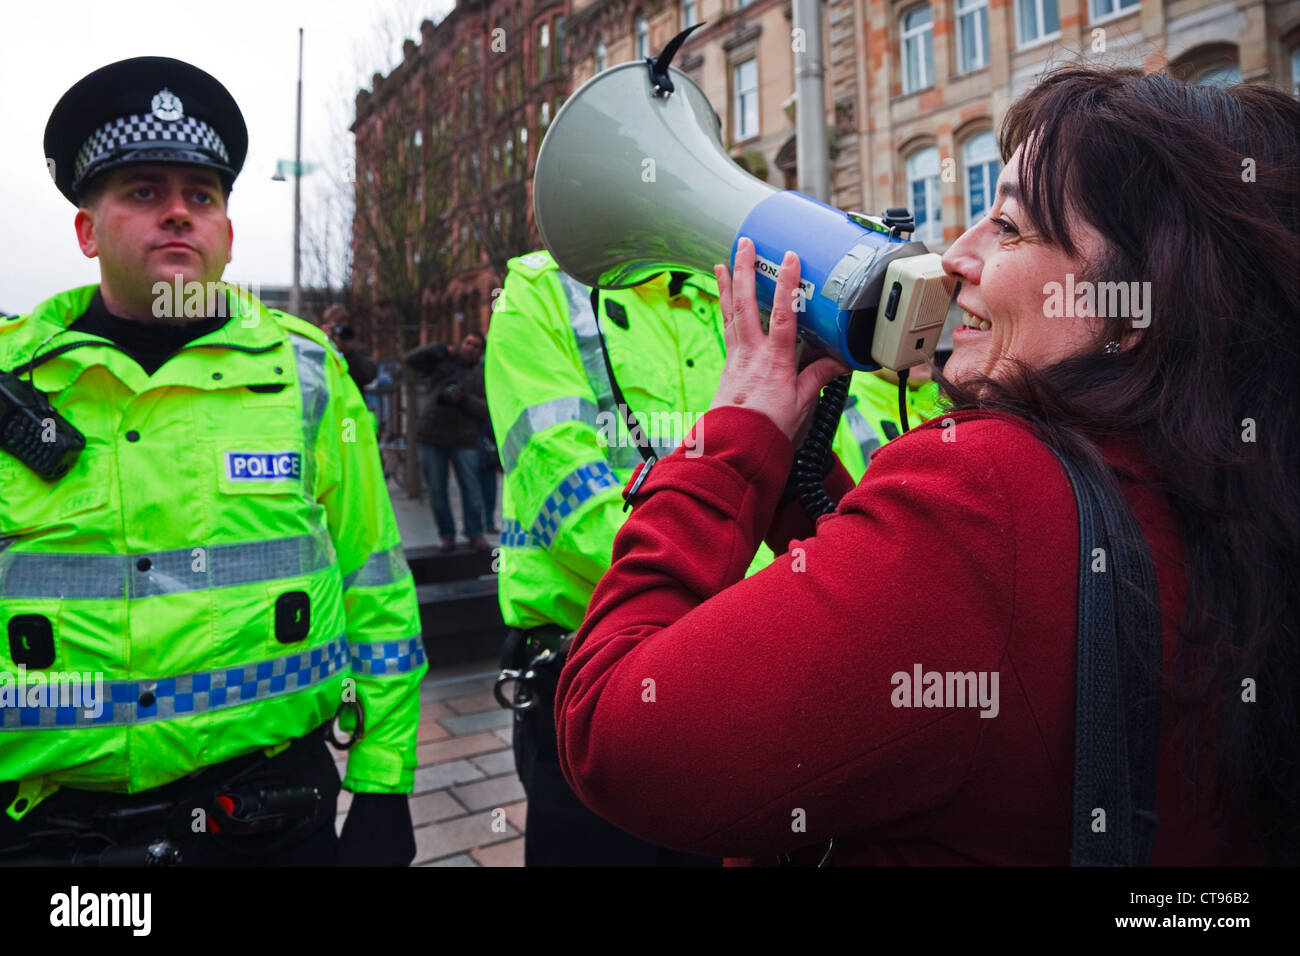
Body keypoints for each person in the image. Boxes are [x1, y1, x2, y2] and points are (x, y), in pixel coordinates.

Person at [553, 66, 1299, 865]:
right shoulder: (1234, 478)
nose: (956, 256)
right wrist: (803, 477)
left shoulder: (990, 492)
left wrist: (732, 439)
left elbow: (614, 735)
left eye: (1010, 228)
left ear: (1134, 311)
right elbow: (963, 638)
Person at [0, 57, 425, 866]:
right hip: (52, 831)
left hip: (270, 817)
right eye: (143, 191)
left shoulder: (308, 375)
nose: (177, 215)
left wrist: (383, 781)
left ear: (226, 232)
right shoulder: (12, 382)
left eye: (201, 196)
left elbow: (375, 586)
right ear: (88, 230)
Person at [486, 250, 739, 866]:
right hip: (589, 662)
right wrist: (741, 595)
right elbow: (568, 499)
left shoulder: (725, 295)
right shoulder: (542, 289)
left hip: (719, 665)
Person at [405, 330, 491, 552]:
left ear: (480, 352)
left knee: (472, 490)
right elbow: (410, 360)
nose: (469, 347)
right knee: (436, 491)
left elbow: (487, 410)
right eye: (467, 342)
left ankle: (475, 533)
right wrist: (439, 348)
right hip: (432, 436)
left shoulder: (483, 375)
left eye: (475, 346)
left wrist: (464, 399)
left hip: (464, 440)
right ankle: (447, 535)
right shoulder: (441, 362)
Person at [322, 303, 377, 392]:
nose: (340, 333)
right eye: (336, 328)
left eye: (343, 328)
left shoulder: (357, 350)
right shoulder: (321, 348)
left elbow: (369, 375)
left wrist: (348, 351)